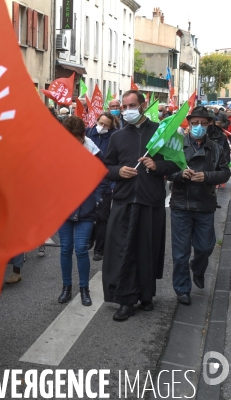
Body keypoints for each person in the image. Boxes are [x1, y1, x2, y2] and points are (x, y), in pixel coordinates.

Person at [102, 90, 180, 321]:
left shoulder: (160, 133)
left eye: (131, 106)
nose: (127, 111)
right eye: (124, 107)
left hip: (150, 201)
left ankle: (147, 294)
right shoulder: (117, 137)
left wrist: (158, 167)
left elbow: (176, 164)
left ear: (143, 105)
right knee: (123, 250)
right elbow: (106, 168)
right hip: (124, 201)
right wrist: (118, 171)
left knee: (147, 249)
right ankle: (126, 299)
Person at [168, 106, 231, 305]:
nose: (199, 127)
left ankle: (197, 269)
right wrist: (180, 174)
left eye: (203, 123)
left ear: (209, 124)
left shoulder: (217, 147)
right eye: (195, 123)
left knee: (205, 247)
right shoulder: (177, 145)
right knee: (180, 253)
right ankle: (182, 289)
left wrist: (207, 177)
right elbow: (167, 171)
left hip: (205, 204)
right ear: (189, 123)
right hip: (180, 204)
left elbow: (225, 172)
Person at [57, 116, 102, 306]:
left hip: (85, 208)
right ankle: (66, 287)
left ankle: (84, 288)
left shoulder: (93, 152)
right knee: (65, 249)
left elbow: (102, 179)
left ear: (83, 136)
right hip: (63, 208)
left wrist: (97, 199)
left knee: (81, 249)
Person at [86, 112, 118, 261]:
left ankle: (100, 248)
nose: (102, 127)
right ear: (97, 121)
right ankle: (90, 238)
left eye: (106, 125)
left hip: (104, 181)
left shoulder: (114, 137)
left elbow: (113, 162)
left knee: (102, 215)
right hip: (87, 181)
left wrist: (112, 183)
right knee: (88, 212)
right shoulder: (88, 133)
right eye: (101, 123)